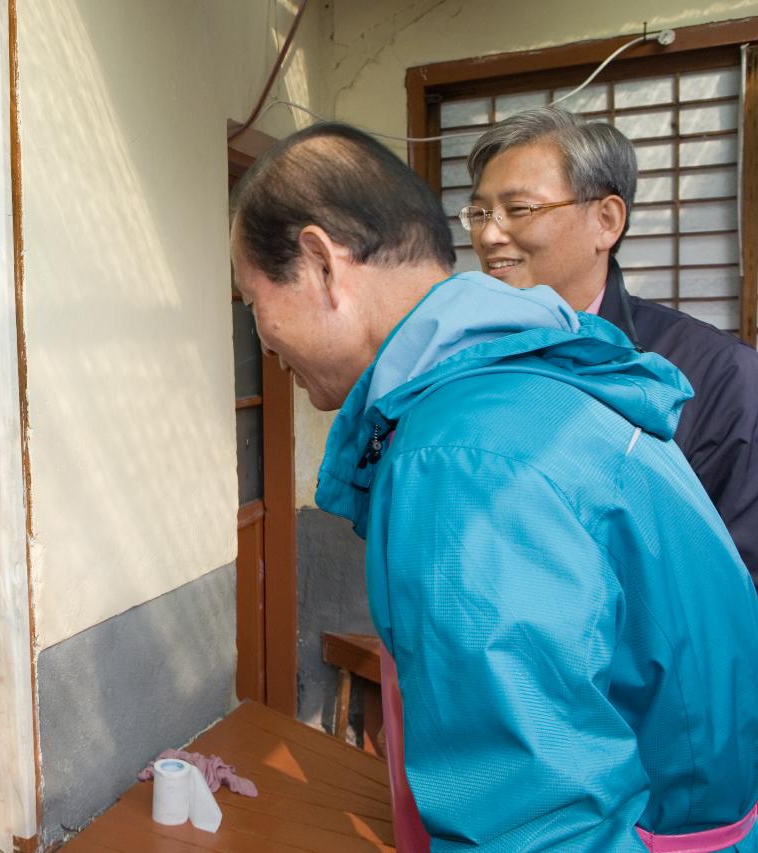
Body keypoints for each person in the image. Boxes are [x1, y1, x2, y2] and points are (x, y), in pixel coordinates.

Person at [230, 122, 758, 851]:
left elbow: (537, 823)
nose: (261, 335)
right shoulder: (525, 380)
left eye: (251, 298)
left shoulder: (458, 456)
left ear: (323, 264)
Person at [465, 106, 758, 583]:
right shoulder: (472, 360)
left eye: (518, 210)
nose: (489, 234)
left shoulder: (721, 376)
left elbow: (737, 583)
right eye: (479, 213)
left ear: (606, 220)